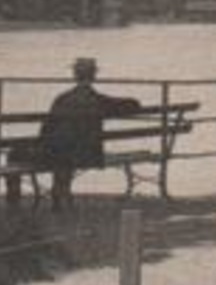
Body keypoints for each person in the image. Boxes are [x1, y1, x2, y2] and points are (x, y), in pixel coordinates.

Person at [36, 57, 142, 211]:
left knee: (16, 154)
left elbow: (45, 131)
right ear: (94, 76)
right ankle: (61, 193)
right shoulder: (100, 100)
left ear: (74, 75)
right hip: (88, 154)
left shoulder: (62, 99)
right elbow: (133, 104)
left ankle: (15, 203)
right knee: (64, 152)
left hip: (61, 154)